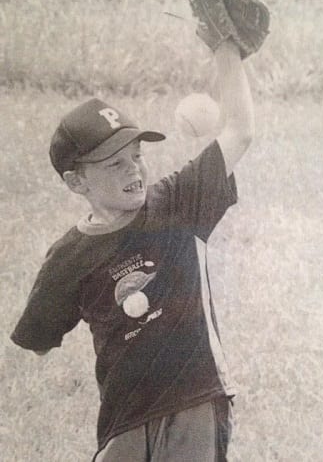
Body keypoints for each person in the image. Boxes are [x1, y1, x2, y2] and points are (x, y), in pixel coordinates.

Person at [11, 35, 253, 461]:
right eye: (114, 164)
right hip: (124, 417)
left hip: (193, 401)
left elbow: (241, 132)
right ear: (76, 182)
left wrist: (226, 46)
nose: (134, 170)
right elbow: (38, 339)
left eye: (136, 156)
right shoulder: (68, 258)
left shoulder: (176, 203)